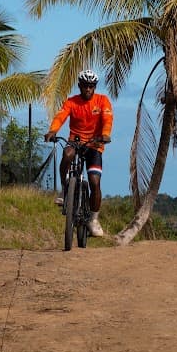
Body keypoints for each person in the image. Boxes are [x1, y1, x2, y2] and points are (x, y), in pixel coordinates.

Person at [44, 69, 113, 237]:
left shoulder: (102, 101)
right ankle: (65, 189)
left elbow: (107, 118)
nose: (88, 89)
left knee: (94, 181)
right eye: (85, 86)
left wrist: (105, 135)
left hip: (95, 144)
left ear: (94, 87)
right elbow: (60, 116)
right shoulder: (71, 102)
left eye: (91, 86)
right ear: (79, 86)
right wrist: (52, 131)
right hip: (75, 141)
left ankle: (93, 219)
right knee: (67, 154)